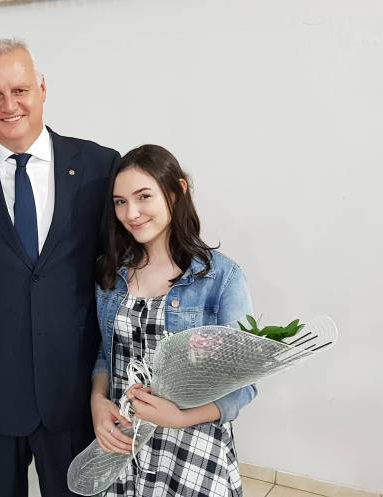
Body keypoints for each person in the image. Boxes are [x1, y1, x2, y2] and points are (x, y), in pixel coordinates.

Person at [0, 38, 120, 497]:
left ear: (42, 88)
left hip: (72, 390)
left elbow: (116, 268)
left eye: (19, 90)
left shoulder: (99, 166)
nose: (8, 105)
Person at [90, 144, 257, 497]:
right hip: (125, 439)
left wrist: (181, 417)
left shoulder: (221, 278)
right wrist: (97, 400)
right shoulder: (110, 275)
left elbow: (245, 383)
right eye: (120, 201)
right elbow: (106, 353)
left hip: (190, 447)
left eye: (143, 197)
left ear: (177, 191)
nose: (131, 213)